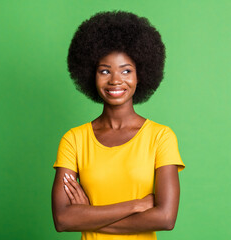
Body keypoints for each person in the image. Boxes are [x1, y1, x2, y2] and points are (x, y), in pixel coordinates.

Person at [51, 10, 185, 240]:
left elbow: (165, 218)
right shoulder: (74, 140)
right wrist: (136, 205)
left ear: (140, 75)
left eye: (126, 70)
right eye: (105, 71)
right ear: (91, 75)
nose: (115, 80)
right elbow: (63, 220)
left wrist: (88, 215)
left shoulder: (160, 137)